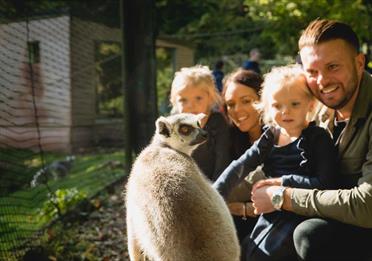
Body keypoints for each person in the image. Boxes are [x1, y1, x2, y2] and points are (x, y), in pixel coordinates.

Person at [251, 19, 372, 260]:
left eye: (333, 67)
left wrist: (281, 197)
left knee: (310, 234)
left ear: (359, 63)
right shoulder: (316, 110)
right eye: (312, 72)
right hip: (337, 213)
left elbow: (368, 206)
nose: (322, 81)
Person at [214, 64, 339, 260]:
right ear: (266, 107)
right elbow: (241, 165)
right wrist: (215, 193)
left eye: (294, 104)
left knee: (268, 255)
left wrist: (282, 182)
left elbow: (325, 184)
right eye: (277, 105)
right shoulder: (271, 135)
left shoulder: (318, 137)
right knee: (246, 250)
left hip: (299, 211)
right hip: (271, 211)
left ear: (311, 105)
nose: (285, 112)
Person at [222, 68, 265, 243]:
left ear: (263, 99)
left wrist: (245, 209)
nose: (237, 110)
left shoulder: (280, 135)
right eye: (230, 104)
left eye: (246, 101)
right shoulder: (229, 139)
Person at [169, 65, 231, 182]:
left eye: (198, 98)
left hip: (212, 184)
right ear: (174, 102)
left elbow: (222, 162)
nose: (191, 105)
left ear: (210, 98)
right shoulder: (172, 125)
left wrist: (216, 192)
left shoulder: (217, 122)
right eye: (183, 100)